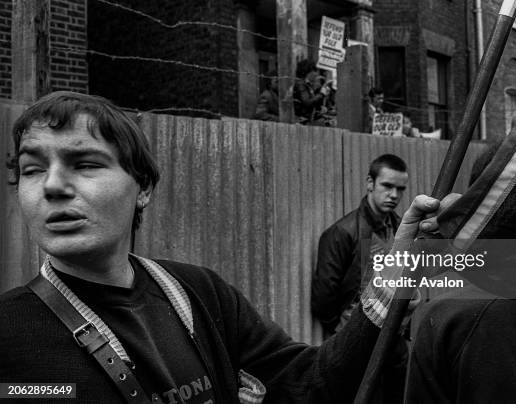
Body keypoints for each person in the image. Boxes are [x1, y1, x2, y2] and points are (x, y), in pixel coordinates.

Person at [0, 91, 448, 404]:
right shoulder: (10, 336)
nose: (53, 185)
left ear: (143, 188)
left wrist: (391, 284)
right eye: (33, 169)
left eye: (85, 163)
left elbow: (310, 385)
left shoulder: (199, 294)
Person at [311, 154, 410, 403]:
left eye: (400, 189)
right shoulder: (342, 233)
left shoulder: (401, 229)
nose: (394, 195)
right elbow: (324, 297)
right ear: (369, 183)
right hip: (356, 341)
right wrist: (345, 331)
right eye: (387, 186)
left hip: (394, 341)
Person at [293, 60, 330, 125]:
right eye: (314, 71)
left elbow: (312, 104)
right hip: (303, 122)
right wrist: (321, 94)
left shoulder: (308, 85)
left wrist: (320, 108)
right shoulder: (300, 84)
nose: (316, 74)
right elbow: (307, 102)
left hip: (308, 120)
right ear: (308, 72)